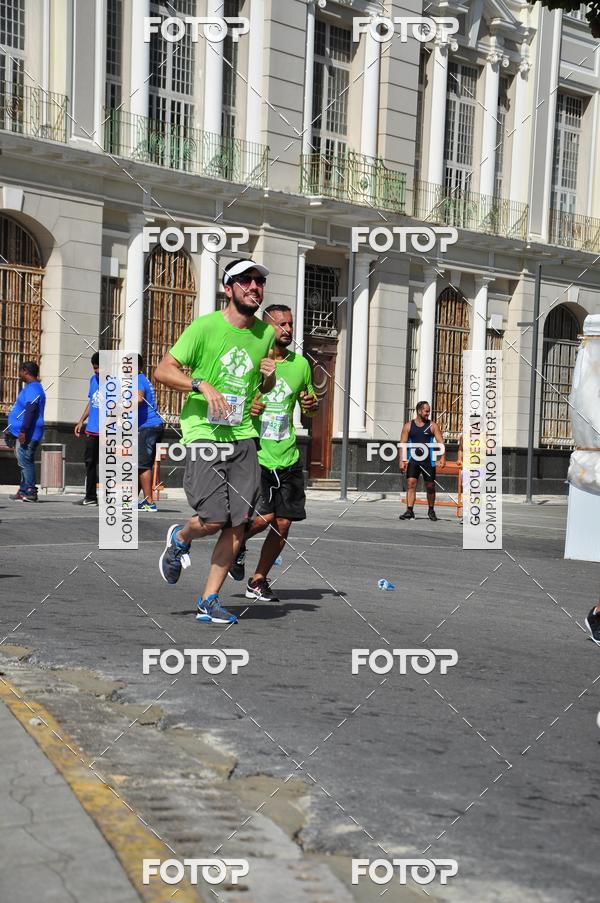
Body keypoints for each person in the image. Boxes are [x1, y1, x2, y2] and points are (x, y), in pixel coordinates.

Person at [154, 258, 276, 625]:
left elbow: (260, 386)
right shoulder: (205, 327)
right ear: (229, 288)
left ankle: (209, 600)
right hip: (205, 433)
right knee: (212, 519)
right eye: (246, 281)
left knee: (239, 523)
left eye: (259, 282)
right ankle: (180, 537)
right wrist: (199, 384)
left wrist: (268, 380)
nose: (254, 287)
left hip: (243, 434)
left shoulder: (265, 334)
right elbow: (163, 370)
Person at [228, 305, 318, 600]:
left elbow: (310, 403)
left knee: (284, 522)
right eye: (281, 324)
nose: (288, 329)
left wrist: (310, 405)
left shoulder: (300, 365)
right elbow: (229, 404)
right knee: (266, 516)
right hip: (257, 453)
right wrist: (247, 408)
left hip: (288, 456)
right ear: (268, 328)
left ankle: (257, 580)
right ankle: (235, 542)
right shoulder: (251, 361)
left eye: (290, 324)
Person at [398, 401, 445, 521]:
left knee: (430, 486)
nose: (428, 413)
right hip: (413, 460)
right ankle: (409, 511)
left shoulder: (433, 426)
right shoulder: (408, 426)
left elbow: (440, 442)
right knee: (410, 484)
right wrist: (401, 460)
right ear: (419, 411)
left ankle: (431, 510)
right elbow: (402, 444)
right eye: (426, 411)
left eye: (428, 411)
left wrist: (442, 458)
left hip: (429, 461)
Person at [7, 361, 46, 502]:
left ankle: (31, 491)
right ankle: (23, 490)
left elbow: (31, 409)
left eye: (20, 371)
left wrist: (23, 431)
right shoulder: (31, 387)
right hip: (25, 432)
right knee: (23, 461)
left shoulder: (34, 388)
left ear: (25, 371)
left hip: (29, 432)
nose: (19, 374)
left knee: (26, 462)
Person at [136, 354, 165, 512]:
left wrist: (120, 406)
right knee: (141, 465)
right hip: (154, 426)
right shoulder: (142, 378)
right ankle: (134, 500)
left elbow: (139, 399)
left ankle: (149, 501)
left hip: (149, 427)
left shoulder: (137, 379)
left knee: (142, 465)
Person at [74, 352, 100, 506]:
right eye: (94, 368)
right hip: (92, 429)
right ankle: (90, 497)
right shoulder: (93, 380)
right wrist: (81, 421)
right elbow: (92, 402)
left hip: (108, 431)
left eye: (99, 368)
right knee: (90, 462)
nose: (96, 371)